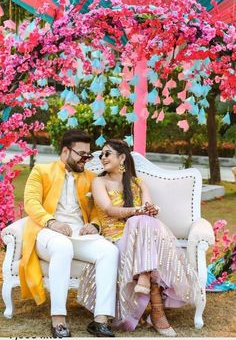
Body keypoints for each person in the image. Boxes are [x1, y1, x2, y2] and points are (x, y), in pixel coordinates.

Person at [91, 139, 204, 337]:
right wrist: (138, 210)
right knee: (139, 219)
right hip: (116, 238)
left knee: (143, 219)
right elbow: (109, 209)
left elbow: (148, 210)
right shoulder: (99, 182)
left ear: (122, 157)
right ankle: (157, 313)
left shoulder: (138, 183)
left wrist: (151, 209)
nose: (102, 158)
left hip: (141, 240)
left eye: (107, 153)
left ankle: (146, 277)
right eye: (101, 155)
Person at [19, 130, 119, 338]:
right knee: (63, 246)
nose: (86, 159)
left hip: (79, 233)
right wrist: (52, 222)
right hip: (46, 231)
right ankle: (59, 321)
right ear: (65, 151)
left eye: (89, 155)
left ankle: (100, 320)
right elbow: (31, 202)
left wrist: (94, 225)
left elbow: (97, 210)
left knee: (109, 251)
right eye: (81, 154)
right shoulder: (41, 171)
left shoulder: (91, 178)